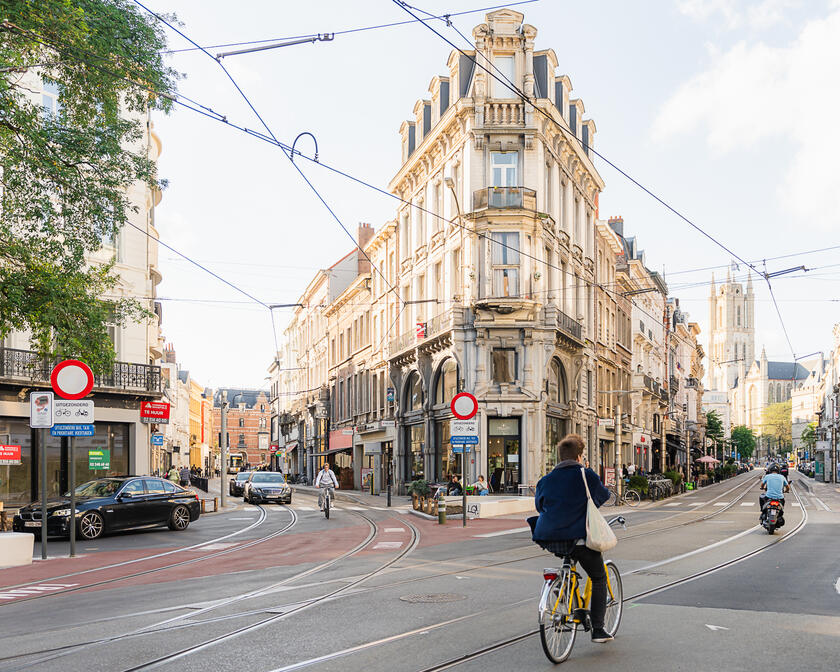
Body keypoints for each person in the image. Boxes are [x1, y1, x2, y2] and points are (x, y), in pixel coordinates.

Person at [528, 433, 614, 644]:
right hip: (578, 537)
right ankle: (598, 629)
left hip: (548, 538)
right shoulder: (586, 475)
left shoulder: (545, 480)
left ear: (559, 457)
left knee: (568, 556)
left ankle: (563, 589)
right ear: (579, 456)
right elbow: (603, 497)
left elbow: (540, 506)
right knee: (599, 577)